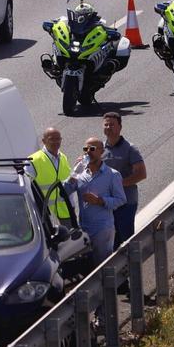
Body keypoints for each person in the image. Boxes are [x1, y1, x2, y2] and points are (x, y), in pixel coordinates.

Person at [64, 136, 126, 264]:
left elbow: (121, 199)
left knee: (103, 264)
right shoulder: (80, 174)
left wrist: (100, 201)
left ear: (101, 151)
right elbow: (64, 192)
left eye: (92, 149)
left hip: (102, 228)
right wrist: (74, 174)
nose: (88, 152)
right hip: (84, 228)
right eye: (85, 149)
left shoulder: (112, 175)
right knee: (87, 264)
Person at [101, 112, 146, 248]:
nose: (108, 127)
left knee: (126, 240)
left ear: (120, 127)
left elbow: (141, 174)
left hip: (126, 202)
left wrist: (118, 184)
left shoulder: (130, 149)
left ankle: (132, 260)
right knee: (111, 241)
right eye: (106, 125)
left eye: (112, 125)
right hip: (107, 203)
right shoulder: (100, 149)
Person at [27, 127, 74, 223]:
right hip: (45, 215)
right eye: (51, 139)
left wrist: (72, 205)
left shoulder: (63, 157)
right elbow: (27, 187)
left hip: (66, 212)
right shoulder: (33, 160)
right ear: (44, 141)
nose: (56, 142)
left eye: (58, 139)